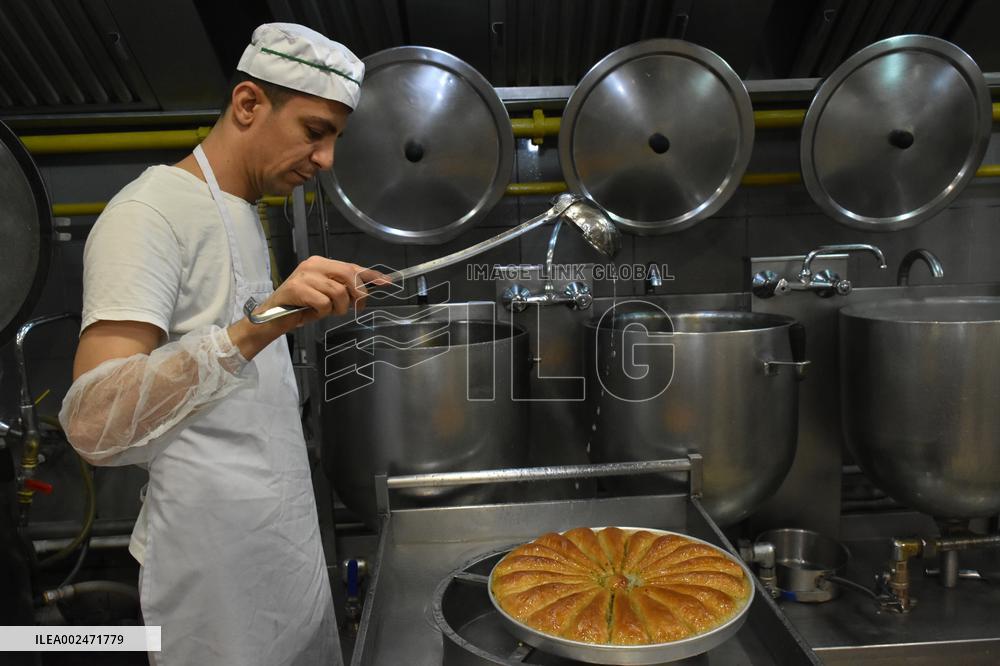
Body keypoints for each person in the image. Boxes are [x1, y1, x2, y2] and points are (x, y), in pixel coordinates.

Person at [58, 23, 386, 665]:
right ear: (247, 104)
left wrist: (267, 319)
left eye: (335, 140)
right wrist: (262, 322)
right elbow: (94, 422)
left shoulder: (241, 210)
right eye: (315, 131)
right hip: (216, 588)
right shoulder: (148, 213)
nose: (326, 160)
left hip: (278, 556)